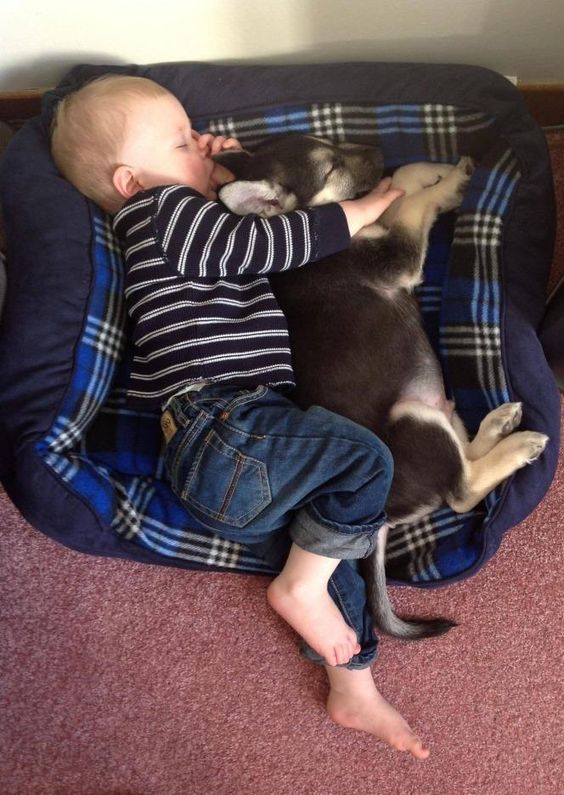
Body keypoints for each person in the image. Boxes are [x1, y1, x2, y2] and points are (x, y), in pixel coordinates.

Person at [50, 74, 429, 759]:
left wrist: (222, 164)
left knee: (325, 551)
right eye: (181, 139)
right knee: (366, 459)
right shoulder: (161, 213)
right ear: (131, 179)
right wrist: (362, 211)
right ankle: (301, 593)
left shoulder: (173, 223)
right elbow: (262, 243)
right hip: (227, 425)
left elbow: (238, 215)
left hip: (229, 463)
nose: (200, 142)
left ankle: (355, 685)